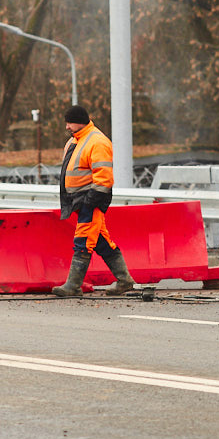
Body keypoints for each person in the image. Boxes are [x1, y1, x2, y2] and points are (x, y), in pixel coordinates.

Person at [52, 104, 135, 297]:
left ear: (79, 121)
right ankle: (125, 281)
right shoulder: (75, 140)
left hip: (90, 201)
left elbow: (104, 178)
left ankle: (73, 285)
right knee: (101, 242)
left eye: (69, 123)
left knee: (83, 241)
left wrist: (90, 202)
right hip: (81, 201)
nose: (67, 127)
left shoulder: (97, 142)